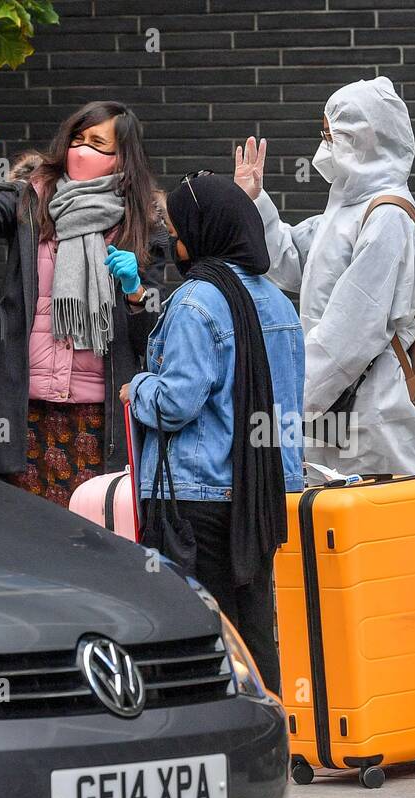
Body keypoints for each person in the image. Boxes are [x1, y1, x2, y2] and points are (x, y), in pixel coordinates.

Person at [114, 172, 304, 694]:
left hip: (193, 498)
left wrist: (140, 389)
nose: (173, 241)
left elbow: (177, 402)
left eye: (177, 229)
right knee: (252, 630)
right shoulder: (282, 305)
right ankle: (268, 737)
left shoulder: (196, 300)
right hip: (259, 496)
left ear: (204, 230)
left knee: (196, 629)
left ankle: (210, 737)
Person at [0, 104, 169, 506]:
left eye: (97, 143)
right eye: (77, 139)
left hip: (99, 417)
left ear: (124, 158)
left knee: (93, 530)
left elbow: (152, 336)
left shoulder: (143, 224)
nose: (81, 150)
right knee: (24, 531)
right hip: (25, 408)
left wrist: (135, 292)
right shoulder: (31, 200)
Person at [234, 76, 415, 476]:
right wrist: (255, 200)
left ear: (363, 138)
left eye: (332, 135)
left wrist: (287, 401)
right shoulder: (345, 210)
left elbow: (352, 332)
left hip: (367, 405)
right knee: (333, 518)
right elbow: (289, 259)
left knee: (375, 519)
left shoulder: (387, 218)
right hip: (336, 402)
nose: (325, 147)